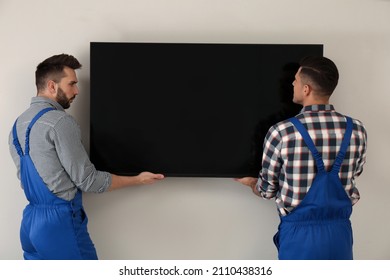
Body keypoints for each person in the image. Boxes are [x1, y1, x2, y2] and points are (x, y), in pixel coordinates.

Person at [8, 54, 165, 260]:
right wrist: (138, 179)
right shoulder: (59, 122)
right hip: (60, 225)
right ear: (52, 86)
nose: (77, 91)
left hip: (30, 225)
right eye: (71, 84)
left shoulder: (17, 126)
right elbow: (89, 181)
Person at [235, 56, 367, 259]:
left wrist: (252, 183)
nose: (292, 83)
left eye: (295, 80)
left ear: (306, 89)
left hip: (299, 237)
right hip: (340, 235)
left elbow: (267, 190)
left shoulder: (282, 132)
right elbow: (356, 172)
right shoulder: (356, 130)